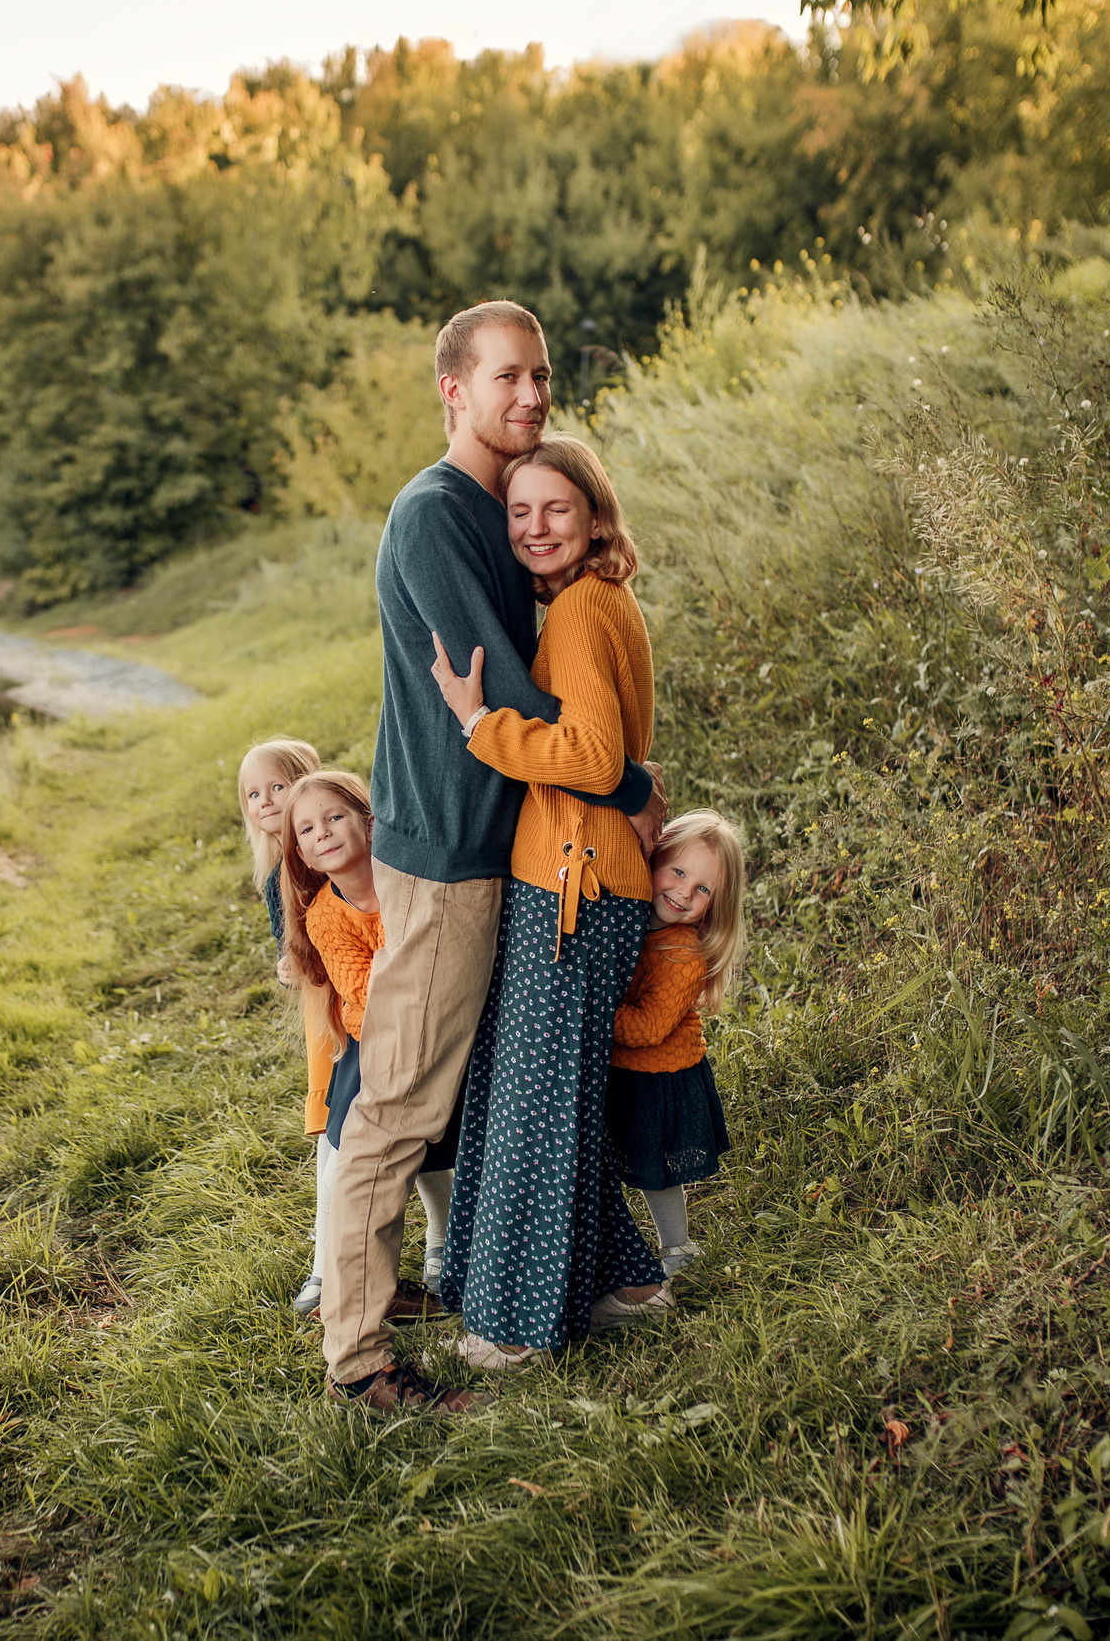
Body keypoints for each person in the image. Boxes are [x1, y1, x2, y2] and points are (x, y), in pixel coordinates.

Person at [324, 302, 662, 1413]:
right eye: (507, 377)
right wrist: (625, 783)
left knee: (483, 1086)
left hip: (506, 847)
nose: (530, 396)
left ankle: (554, 1273)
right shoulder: (433, 515)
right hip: (452, 853)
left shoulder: (502, 507)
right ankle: (360, 1360)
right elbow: (509, 695)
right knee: (399, 1104)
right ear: (453, 391)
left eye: (541, 376)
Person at [428, 435, 672, 1370]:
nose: (534, 527)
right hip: (583, 878)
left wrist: (480, 724)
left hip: (579, 885)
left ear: (594, 515)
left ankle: (516, 1328)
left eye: (555, 510)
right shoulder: (601, 601)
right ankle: (624, 1281)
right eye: (519, 512)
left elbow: (595, 759)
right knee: (543, 1089)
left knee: (534, 1101)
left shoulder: (577, 611)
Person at [277, 771, 458, 1318]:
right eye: (307, 829)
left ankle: (444, 1244)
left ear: (369, 821)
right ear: (301, 854)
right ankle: (334, 1270)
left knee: (441, 1142)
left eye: (335, 817)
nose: (323, 834)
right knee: (352, 1144)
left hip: (444, 1022)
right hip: (369, 1039)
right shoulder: (326, 916)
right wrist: (402, 968)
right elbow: (364, 996)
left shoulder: (405, 880)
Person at [607, 810, 747, 1279]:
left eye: (703, 889)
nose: (684, 892)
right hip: (621, 1068)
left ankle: (678, 1248)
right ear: (654, 857)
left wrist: (590, 1010)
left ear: (715, 904)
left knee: (656, 1171)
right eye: (679, 872)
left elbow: (647, 1028)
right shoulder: (628, 917)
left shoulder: (684, 952)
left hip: (659, 1076)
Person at [235, 736, 332, 1314]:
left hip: (344, 1005)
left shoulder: (315, 858)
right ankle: (326, 1258)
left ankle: (327, 1267)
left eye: (278, 786)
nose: (267, 801)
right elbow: (294, 948)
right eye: (253, 793)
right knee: (331, 1128)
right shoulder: (275, 873)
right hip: (320, 1009)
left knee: (339, 1131)